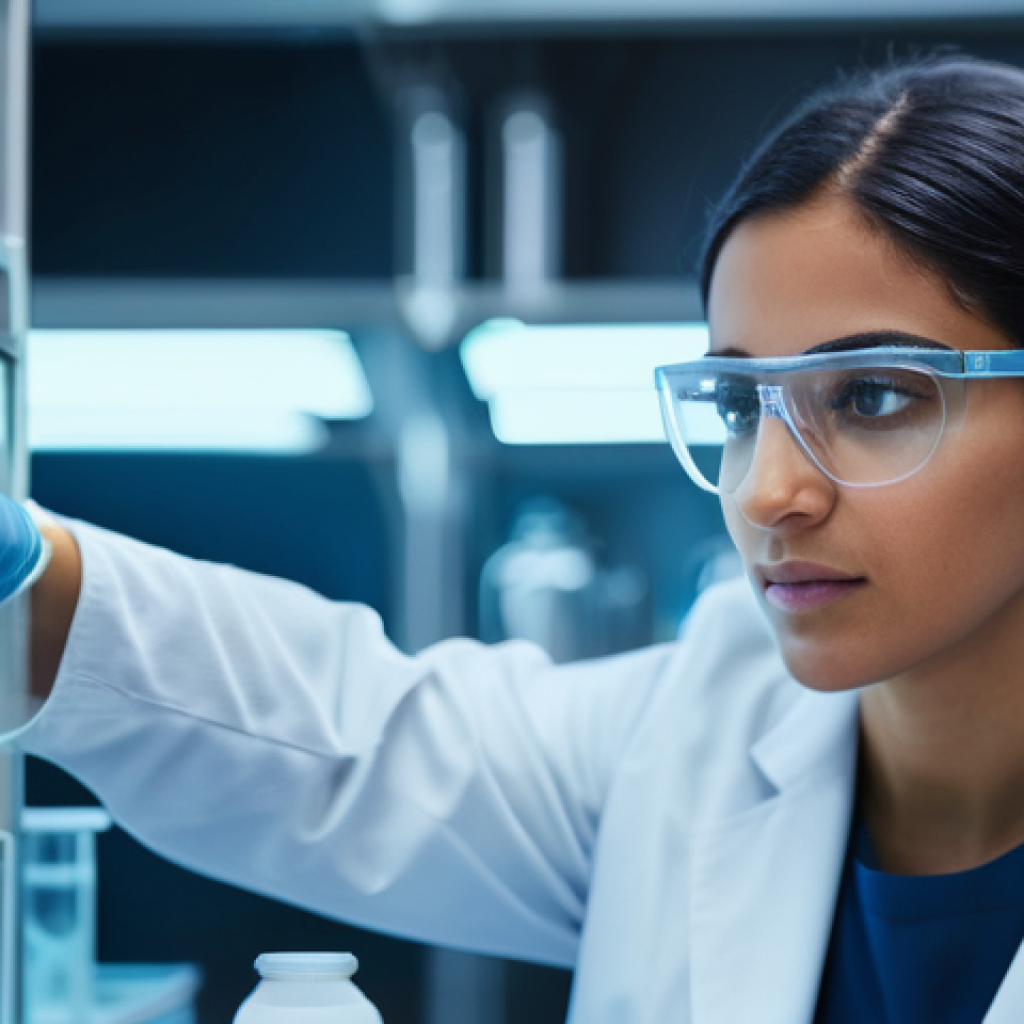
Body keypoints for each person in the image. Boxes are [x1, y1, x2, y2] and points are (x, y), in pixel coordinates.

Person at [8, 53, 1024, 1024]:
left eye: (874, 394)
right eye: (737, 405)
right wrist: (22, 573)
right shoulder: (700, 731)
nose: (767, 492)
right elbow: (348, 743)